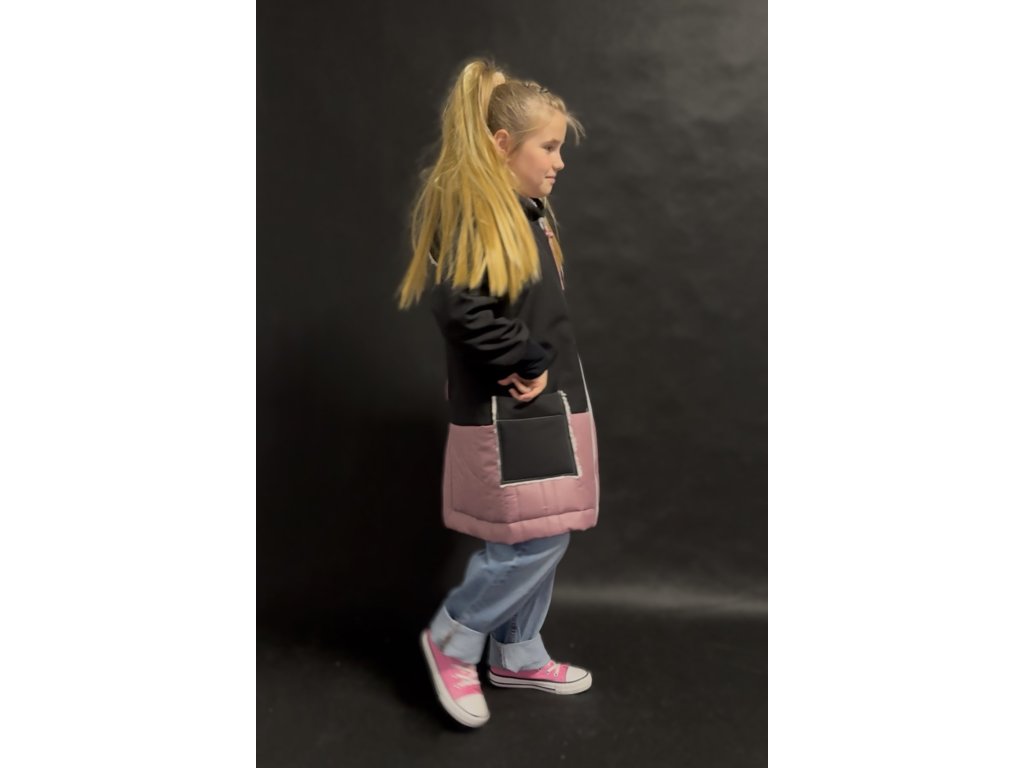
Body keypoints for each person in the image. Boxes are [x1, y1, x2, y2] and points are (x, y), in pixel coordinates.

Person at [396, 57, 600, 729]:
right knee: (531, 541)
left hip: (544, 409)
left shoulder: (526, 213)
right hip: (509, 414)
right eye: (549, 147)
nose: (559, 162)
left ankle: (517, 651)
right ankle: (454, 638)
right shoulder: (480, 215)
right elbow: (461, 306)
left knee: (546, 528)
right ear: (503, 144)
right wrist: (524, 357)